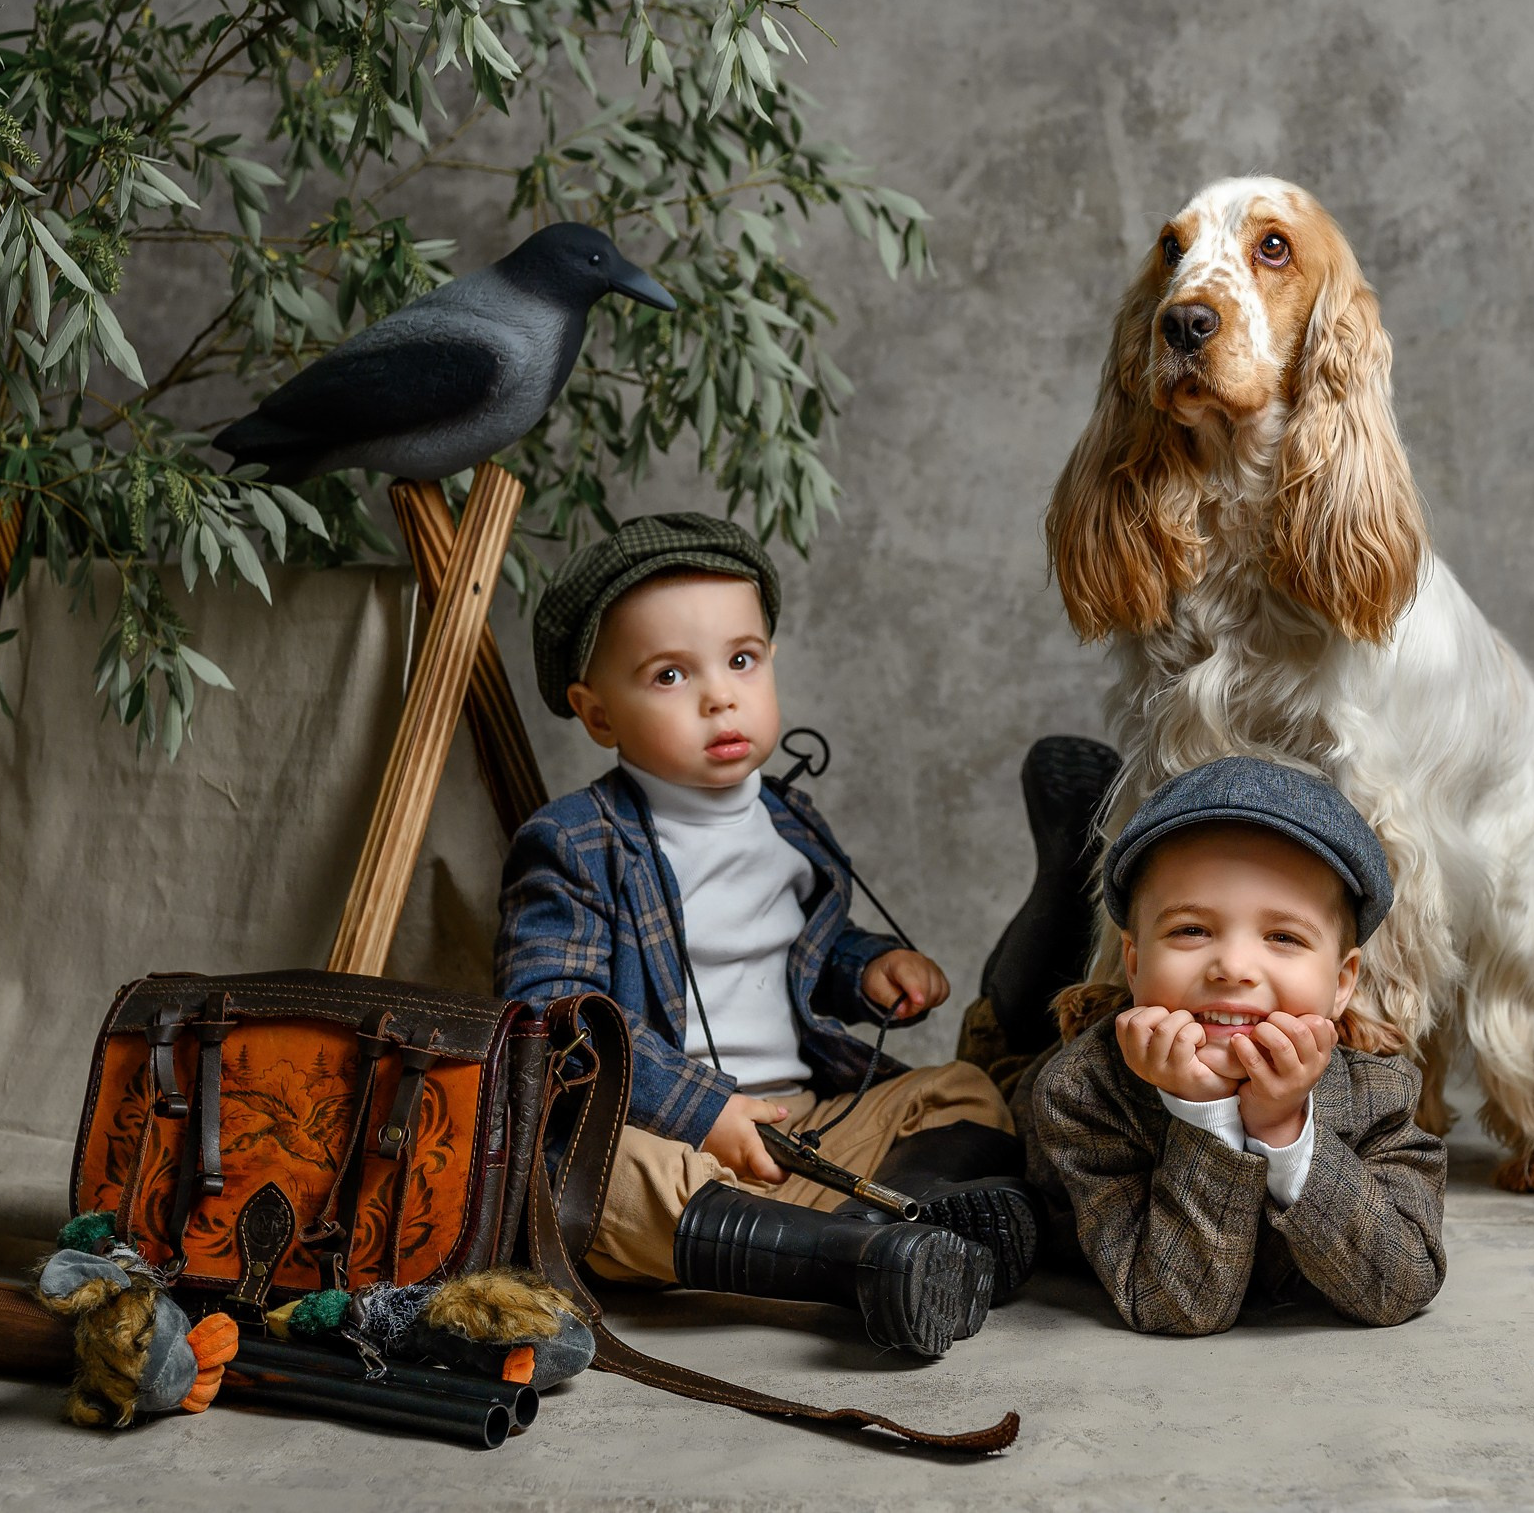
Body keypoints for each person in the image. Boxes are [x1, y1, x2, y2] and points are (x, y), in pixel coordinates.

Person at [497, 513, 1039, 1358]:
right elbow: (552, 1019)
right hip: (677, 1142)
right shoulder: (575, 842)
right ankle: (857, 1257)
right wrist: (705, 1108)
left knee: (959, 1087)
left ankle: (895, 1223)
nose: (720, 695)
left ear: (770, 664)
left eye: (741, 660)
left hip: (804, 1123)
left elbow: (802, 958)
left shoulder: (788, 818)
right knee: (593, 1176)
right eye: (670, 674)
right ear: (597, 713)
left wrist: (867, 969)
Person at [1020, 755, 1447, 1335]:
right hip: (1018, 1090)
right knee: (1002, 1037)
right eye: (1191, 930)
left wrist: (1283, 1130)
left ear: (1341, 983)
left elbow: (1401, 1284)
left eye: (1283, 936)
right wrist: (1206, 1119)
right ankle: (1060, 873)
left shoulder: (1380, 1097)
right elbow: (1172, 1304)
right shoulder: (1082, 1093)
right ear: (1136, 961)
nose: (1234, 966)